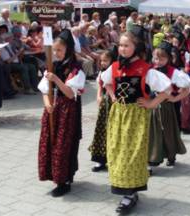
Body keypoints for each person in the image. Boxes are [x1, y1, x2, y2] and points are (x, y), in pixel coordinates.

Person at [101, 26, 171, 214]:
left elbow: (167, 88)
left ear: (136, 46)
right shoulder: (115, 66)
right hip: (118, 115)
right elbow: (105, 81)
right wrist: (112, 95)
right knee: (118, 152)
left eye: (126, 45)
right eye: (120, 45)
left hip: (136, 117)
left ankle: (130, 194)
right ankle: (125, 189)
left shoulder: (145, 69)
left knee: (132, 154)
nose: (122, 49)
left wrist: (152, 103)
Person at [38, 29, 86, 197]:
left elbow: (70, 93)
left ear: (68, 49)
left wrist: (56, 79)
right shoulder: (52, 66)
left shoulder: (76, 69)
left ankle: (64, 180)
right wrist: (47, 105)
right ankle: (54, 175)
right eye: (54, 50)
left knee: (63, 144)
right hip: (53, 109)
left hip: (68, 111)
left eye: (59, 50)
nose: (56, 53)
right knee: (50, 142)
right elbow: (44, 90)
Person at [148, 42, 190, 171]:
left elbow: (187, 88)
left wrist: (174, 98)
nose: (158, 61)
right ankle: (153, 159)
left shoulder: (174, 72)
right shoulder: (150, 70)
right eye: (156, 58)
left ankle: (171, 155)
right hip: (151, 106)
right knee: (152, 133)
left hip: (166, 107)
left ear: (169, 58)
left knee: (168, 132)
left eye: (162, 58)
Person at [88, 50, 117, 172]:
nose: (103, 63)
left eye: (105, 60)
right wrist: (98, 96)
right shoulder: (102, 72)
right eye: (101, 61)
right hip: (105, 104)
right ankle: (100, 160)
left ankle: (115, 160)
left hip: (115, 104)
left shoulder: (116, 71)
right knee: (102, 130)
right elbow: (100, 85)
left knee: (115, 130)